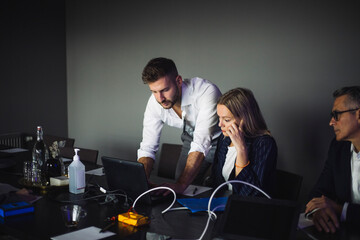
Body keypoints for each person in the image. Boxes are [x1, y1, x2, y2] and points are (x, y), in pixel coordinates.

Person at [137, 57, 222, 194]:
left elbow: (201, 143)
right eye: (154, 91)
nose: (160, 98)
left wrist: (181, 185)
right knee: (182, 188)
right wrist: (141, 181)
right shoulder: (155, 102)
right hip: (191, 138)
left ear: (178, 81)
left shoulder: (206, 92)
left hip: (224, 140)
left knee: (223, 187)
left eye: (165, 90)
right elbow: (148, 147)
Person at [305, 86, 360, 233]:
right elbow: (318, 192)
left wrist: (341, 210)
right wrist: (317, 211)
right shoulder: (338, 148)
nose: (331, 122)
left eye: (337, 115)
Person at [210, 88, 277, 196]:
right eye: (219, 118)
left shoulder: (264, 143)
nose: (220, 124)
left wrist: (241, 149)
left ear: (244, 119)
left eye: (226, 120)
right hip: (222, 205)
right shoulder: (224, 139)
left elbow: (251, 194)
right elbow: (216, 182)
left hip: (249, 208)